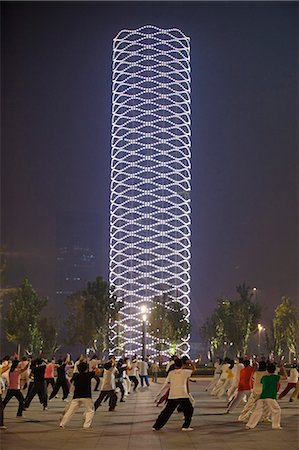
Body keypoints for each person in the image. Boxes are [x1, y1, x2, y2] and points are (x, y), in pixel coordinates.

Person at [153, 358, 194, 431]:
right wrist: (191, 363)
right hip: (182, 394)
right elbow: (194, 369)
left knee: (166, 412)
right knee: (189, 410)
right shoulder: (185, 372)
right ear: (182, 364)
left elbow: (165, 384)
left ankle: (156, 426)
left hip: (173, 395)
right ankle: (185, 426)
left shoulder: (171, 373)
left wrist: (158, 394)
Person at [60, 361, 99, 429]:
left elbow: (72, 382)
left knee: (71, 411)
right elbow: (97, 372)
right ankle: (86, 425)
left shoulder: (76, 375)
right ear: (86, 369)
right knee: (90, 410)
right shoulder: (88, 375)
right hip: (86, 396)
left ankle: (62, 423)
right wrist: (94, 367)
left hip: (76, 396)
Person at [246, 362, 282, 430]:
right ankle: (275, 425)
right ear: (274, 370)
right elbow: (285, 377)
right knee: (277, 410)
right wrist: (282, 369)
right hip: (270, 397)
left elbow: (262, 382)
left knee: (257, 411)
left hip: (262, 396)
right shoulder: (275, 377)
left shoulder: (264, 378)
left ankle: (250, 425)